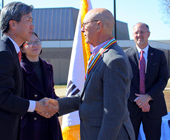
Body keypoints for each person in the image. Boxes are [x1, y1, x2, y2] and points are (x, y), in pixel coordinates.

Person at [43, 8, 135, 140]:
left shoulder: (114, 60)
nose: (82, 30)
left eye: (84, 25)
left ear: (98, 25)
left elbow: (114, 113)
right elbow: (91, 96)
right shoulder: (102, 54)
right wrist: (59, 105)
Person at [0, 2, 56, 140]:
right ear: (13, 24)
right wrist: (37, 106)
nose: (32, 26)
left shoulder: (10, 51)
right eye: (28, 20)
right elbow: (3, 98)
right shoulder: (2, 54)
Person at [125, 22, 169, 140]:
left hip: (154, 107)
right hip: (131, 108)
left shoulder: (160, 55)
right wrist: (139, 100)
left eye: (142, 32)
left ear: (148, 34)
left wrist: (148, 97)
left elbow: (163, 78)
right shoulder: (125, 55)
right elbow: (124, 80)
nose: (139, 35)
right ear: (133, 35)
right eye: (136, 32)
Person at [19, 32, 63, 140]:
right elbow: (18, 99)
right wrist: (39, 108)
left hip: (50, 122)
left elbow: (51, 92)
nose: (35, 45)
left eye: (37, 42)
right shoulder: (19, 69)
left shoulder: (48, 67)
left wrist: (55, 105)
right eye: (30, 43)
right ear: (22, 49)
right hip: (30, 125)